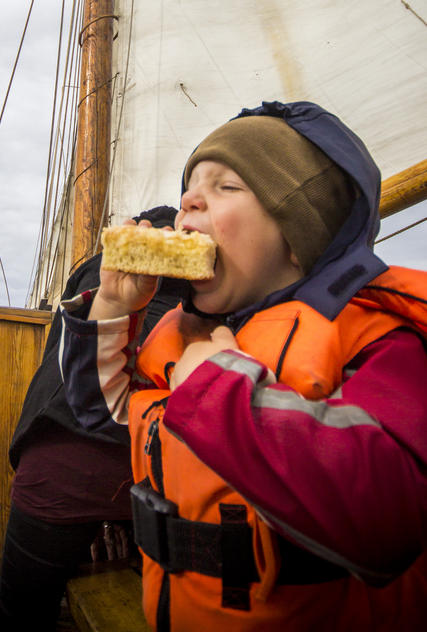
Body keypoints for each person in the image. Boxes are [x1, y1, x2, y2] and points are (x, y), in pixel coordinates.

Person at [59, 100, 427, 631]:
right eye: (190, 189)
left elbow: (387, 523)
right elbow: (103, 413)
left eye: (226, 187)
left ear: (301, 237)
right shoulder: (182, 338)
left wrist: (216, 394)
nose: (186, 201)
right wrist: (114, 307)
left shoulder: (376, 341)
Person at [0, 205, 190, 632]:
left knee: (25, 609)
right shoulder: (210, 284)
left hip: (61, 465)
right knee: (154, 602)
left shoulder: (101, 266)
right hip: (158, 470)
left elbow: (62, 354)